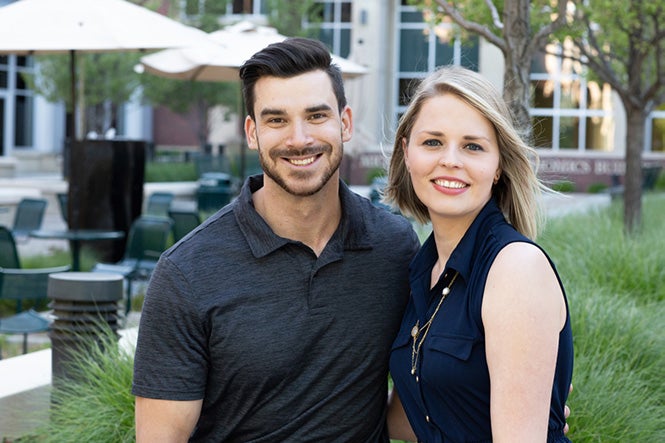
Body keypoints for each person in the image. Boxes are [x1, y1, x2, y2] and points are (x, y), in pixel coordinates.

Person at [131, 37, 420, 442]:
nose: (299, 139)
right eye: (277, 120)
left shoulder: (395, 247)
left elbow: (421, 391)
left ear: (346, 123)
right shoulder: (187, 273)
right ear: (252, 132)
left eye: (317, 115)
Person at [384, 66, 573, 442]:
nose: (451, 160)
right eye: (433, 142)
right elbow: (414, 417)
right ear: (407, 153)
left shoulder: (515, 268)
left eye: (472, 146)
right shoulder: (423, 269)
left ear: (498, 164)